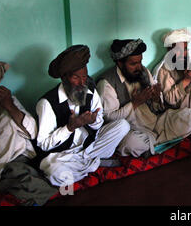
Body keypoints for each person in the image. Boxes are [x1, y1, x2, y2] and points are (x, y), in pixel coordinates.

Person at [35, 45, 130, 186]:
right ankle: (94, 163)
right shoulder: (47, 103)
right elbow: (43, 144)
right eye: (76, 78)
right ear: (64, 78)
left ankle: (85, 163)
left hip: (88, 146)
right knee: (57, 174)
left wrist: (92, 121)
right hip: (62, 155)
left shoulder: (89, 90)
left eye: (84, 76)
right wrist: (69, 127)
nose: (82, 83)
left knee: (123, 125)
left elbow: (98, 124)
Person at [96, 39, 191, 158]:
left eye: (140, 62)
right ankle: (160, 143)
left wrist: (156, 99)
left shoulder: (143, 72)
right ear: (120, 63)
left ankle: (153, 145)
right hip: (135, 130)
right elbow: (109, 119)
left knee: (190, 116)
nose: (139, 67)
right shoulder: (107, 83)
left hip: (156, 122)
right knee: (132, 143)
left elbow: (158, 108)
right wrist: (135, 103)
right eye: (133, 64)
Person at [0, 57, 37, 185]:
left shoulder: (7, 98)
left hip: (16, 157)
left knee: (8, 120)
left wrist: (9, 105)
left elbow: (33, 132)